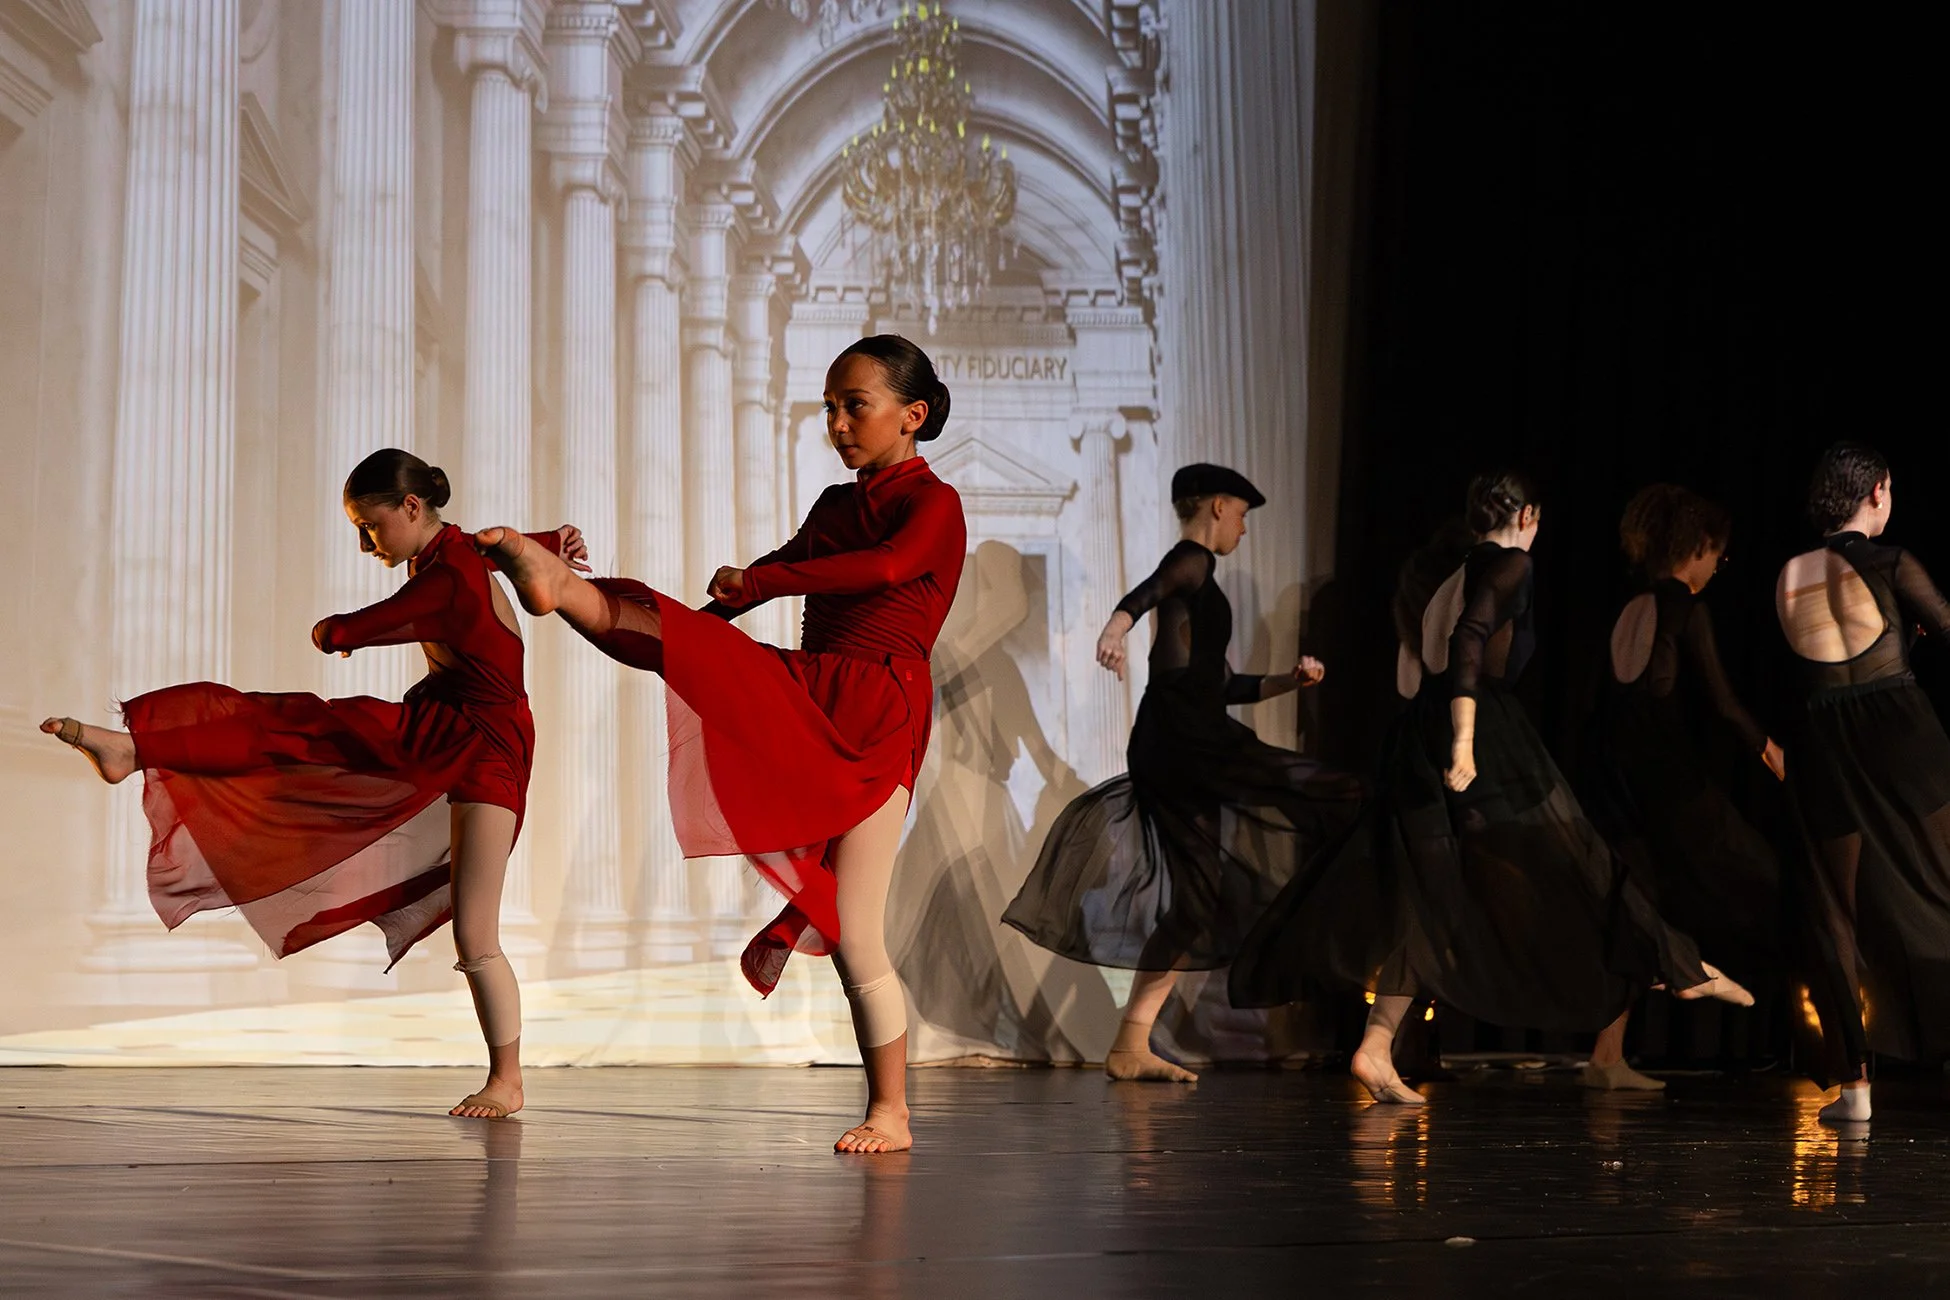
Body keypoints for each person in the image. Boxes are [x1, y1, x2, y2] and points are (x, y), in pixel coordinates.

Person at [474, 335, 965, 1154]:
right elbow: (769, 573)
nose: (838, 423)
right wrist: (693, 631)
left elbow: (885, 571)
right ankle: (565, 591)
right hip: (815, 688)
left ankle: (892, 1111)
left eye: (857, 406)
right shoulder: (836, 505)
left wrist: (761, 584)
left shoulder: (934, 502)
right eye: (830, 408)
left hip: (880, 709)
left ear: (912, 416)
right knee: (680, 644)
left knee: (855, 928)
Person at [43, 449, 587, 1119]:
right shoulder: (452, 551)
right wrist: (552, 541)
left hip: (488, 748)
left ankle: (507, 1080)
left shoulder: (444, 578)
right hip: (439, 723)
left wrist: (337, 631)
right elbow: (499, 548)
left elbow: (360, 627)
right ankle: (136, 749)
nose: (365, 544)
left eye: (371, 526)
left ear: (411, 508)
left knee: (476, 933)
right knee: (300, 726)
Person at [1230, 471, 1752, 1106]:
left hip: (1420, 731)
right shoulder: (1511, 565)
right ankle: (1679, 968)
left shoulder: (1455, 570)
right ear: (1528, 514)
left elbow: (1439, 650)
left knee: (1431, 897)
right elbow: (1468, 641)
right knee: (1573, 848)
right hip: (1477, 730)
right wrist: (1465, 740)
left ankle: (1375, 1045)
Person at [1001, 464, 1364, 1083]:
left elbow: (1219, 683)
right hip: (1186, 741)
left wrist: (1288, 681)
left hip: (1188, 735)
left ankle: (1129, 1045)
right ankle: (1341, 926)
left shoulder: (1204, 583)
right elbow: (1147, 592)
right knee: (1340, 794)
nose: (1245, 531)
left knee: (1197, 902)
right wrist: (1115, 628)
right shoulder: (1192, 560)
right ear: (1220, 506)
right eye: (1243, 517)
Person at [1578, 485, 1786, 1091]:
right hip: (1667, 788)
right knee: (1764, 881)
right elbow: (1720, 702)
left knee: (1641, 908)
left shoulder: (1628, 605)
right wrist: (1770, 750)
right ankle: (1832, 1026)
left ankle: (1606, 1057)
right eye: (1716, 558)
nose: (1716, 570)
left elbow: (1604, 706)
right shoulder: (1684, 607)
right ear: (1696, 548)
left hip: (1617, 787)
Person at [1775, 442, 1950, 1123]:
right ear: (1876, 491)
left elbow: (1813, 658)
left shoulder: (1787, 574)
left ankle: (1855, 1087)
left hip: (1825, 740)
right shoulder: (1890, 560)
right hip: (1899, 728)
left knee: (1834, 914)